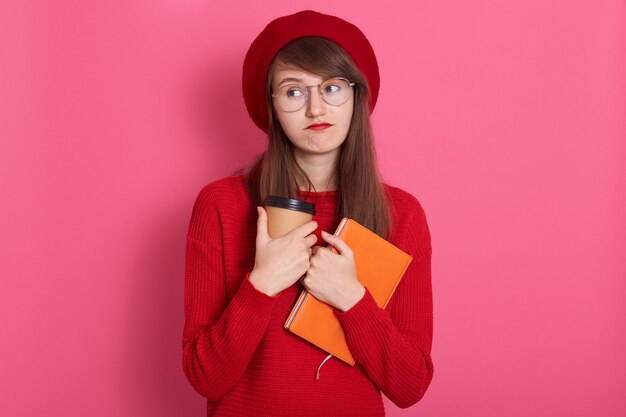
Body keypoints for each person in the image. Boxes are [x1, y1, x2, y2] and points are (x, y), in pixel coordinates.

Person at [182, 10, 433, 417]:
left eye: (332, 87)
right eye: (294, 91)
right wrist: (261, 284)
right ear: (273, 106)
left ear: (356, 96)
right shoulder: (221, 205)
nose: (316, 108)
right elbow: (204, 377)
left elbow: (410, 385)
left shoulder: (401, 215)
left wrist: (352, 299)